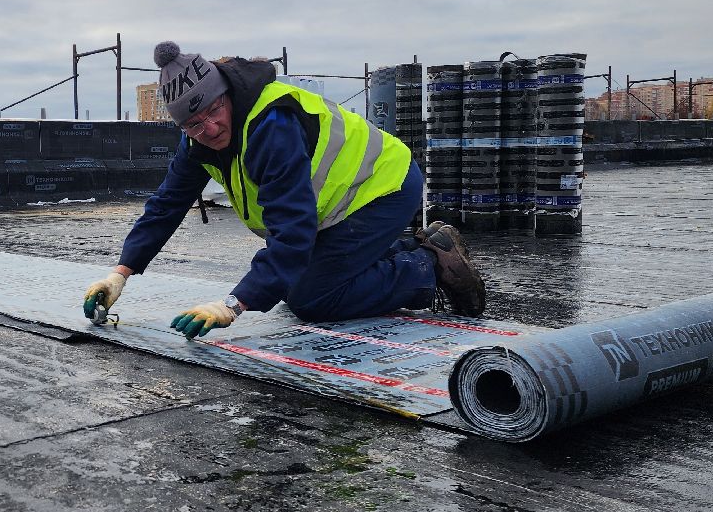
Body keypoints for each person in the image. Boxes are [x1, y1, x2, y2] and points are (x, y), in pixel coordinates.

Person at [82, 41, 485, 338]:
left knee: (312, 298)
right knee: (288, 282)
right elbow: (165, 207)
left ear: (226, 95)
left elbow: (292, 232)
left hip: (383, 187)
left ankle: (429, 268)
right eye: (193, 125)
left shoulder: (271, 127)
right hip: (339, 205)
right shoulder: (198, 143)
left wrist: (232, 305)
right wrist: (120, 273)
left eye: (213, 112)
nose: (210, 129)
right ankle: (426, 248)